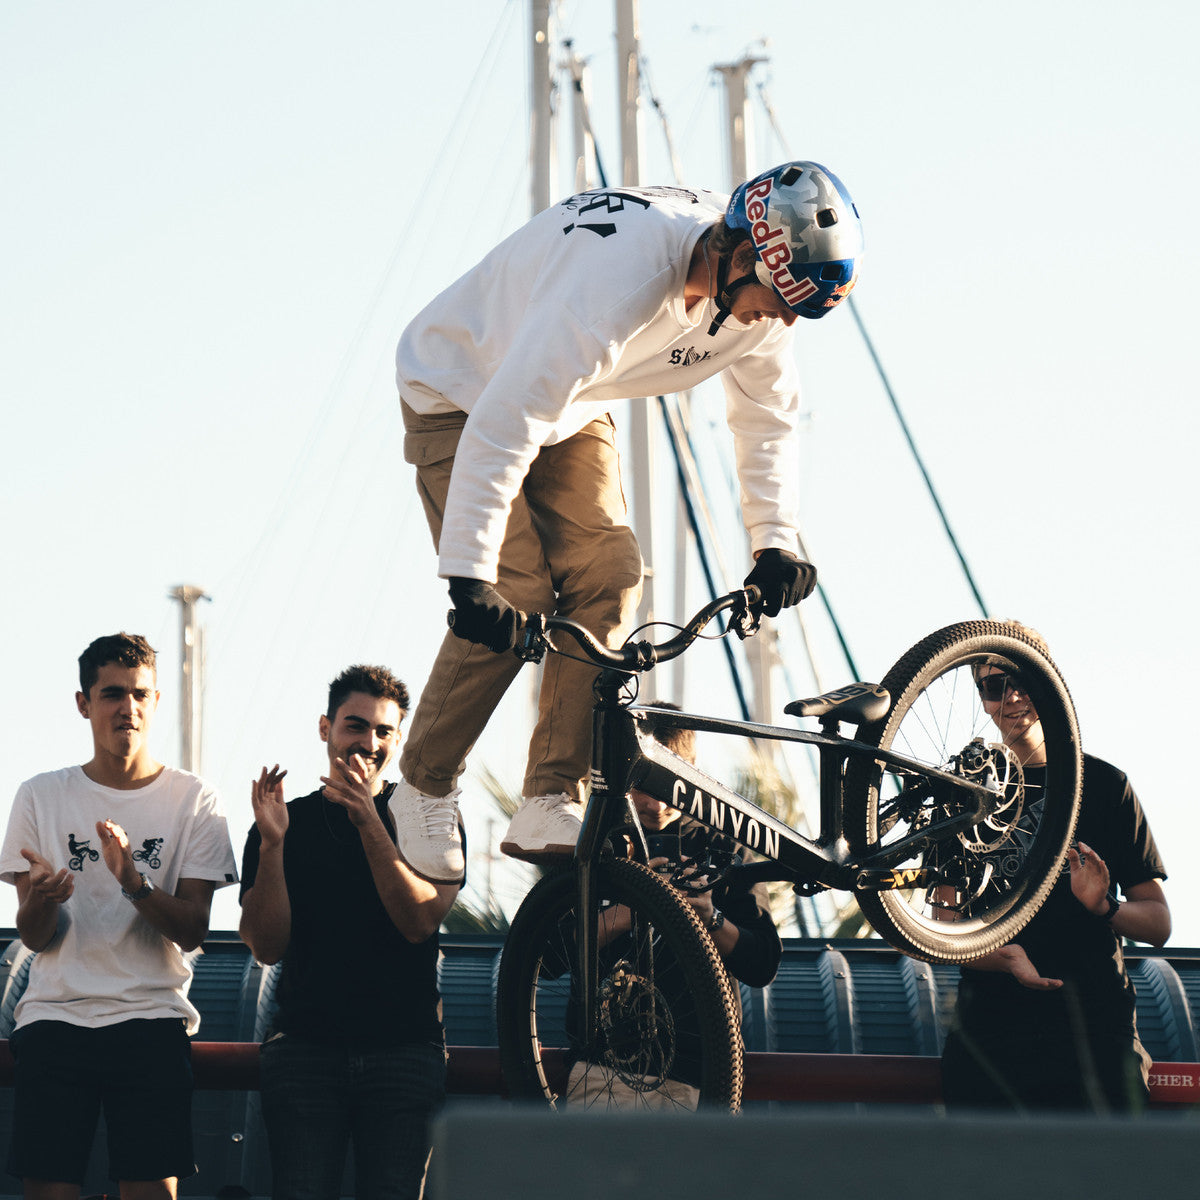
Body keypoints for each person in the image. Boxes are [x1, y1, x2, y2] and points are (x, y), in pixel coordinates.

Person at [391, 161, 864, 883]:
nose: (787, 320)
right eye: (783, 299)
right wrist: (468, 574)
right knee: (515, 590)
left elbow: (767, 417)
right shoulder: (613, 287)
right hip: (460, 389)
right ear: (742, 256)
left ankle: (550, 797)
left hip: (573, 399)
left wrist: (774, 543)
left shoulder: (762, 305)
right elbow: (505, 421)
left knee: (611, 572)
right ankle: (423, 786)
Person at [0, 633, 238, 1199]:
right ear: (84, 704)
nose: (128, 707)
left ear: (155, 702)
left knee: (152, 1190)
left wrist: (133, 881)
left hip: (151, 1018)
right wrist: (42, 899)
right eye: (112, 694)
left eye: (140, 694)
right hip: (55, 1017)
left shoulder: (196, 799)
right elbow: (34, 936)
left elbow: (193, 930)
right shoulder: (40, 795)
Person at [238, 665, 462, 1200]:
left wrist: (368, 819)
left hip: (405, 1050)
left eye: (384, 731)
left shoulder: (429, 817)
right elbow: (265, 945)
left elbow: (419, 922)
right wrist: (272, 846)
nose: (369, 743)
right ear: (326, 728)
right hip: (306, 1051)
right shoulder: (282, 821)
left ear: (400, 738)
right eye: (355, 726)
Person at [940, 626, 1170, 1113]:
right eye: (994, 685)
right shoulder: (959, 792)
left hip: (1095, 1031)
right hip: (991, 1037)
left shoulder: (1106, 786)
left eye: (1024, 681)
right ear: (981, 697)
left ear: (1052, 684)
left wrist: (1104, 906)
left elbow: (1158, 924)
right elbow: (942, 928)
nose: (1012, 697)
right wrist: (1002, 957)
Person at [566, 701, 782, 1109]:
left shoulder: (724, 847)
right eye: (643, 785)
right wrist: (636, 906)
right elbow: (550, 954)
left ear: (692, 773)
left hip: (702, 1075)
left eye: (668, 787)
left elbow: (763, 964)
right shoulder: (593, 841)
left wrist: (708, 917)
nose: (656, 804)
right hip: (601, 1068)